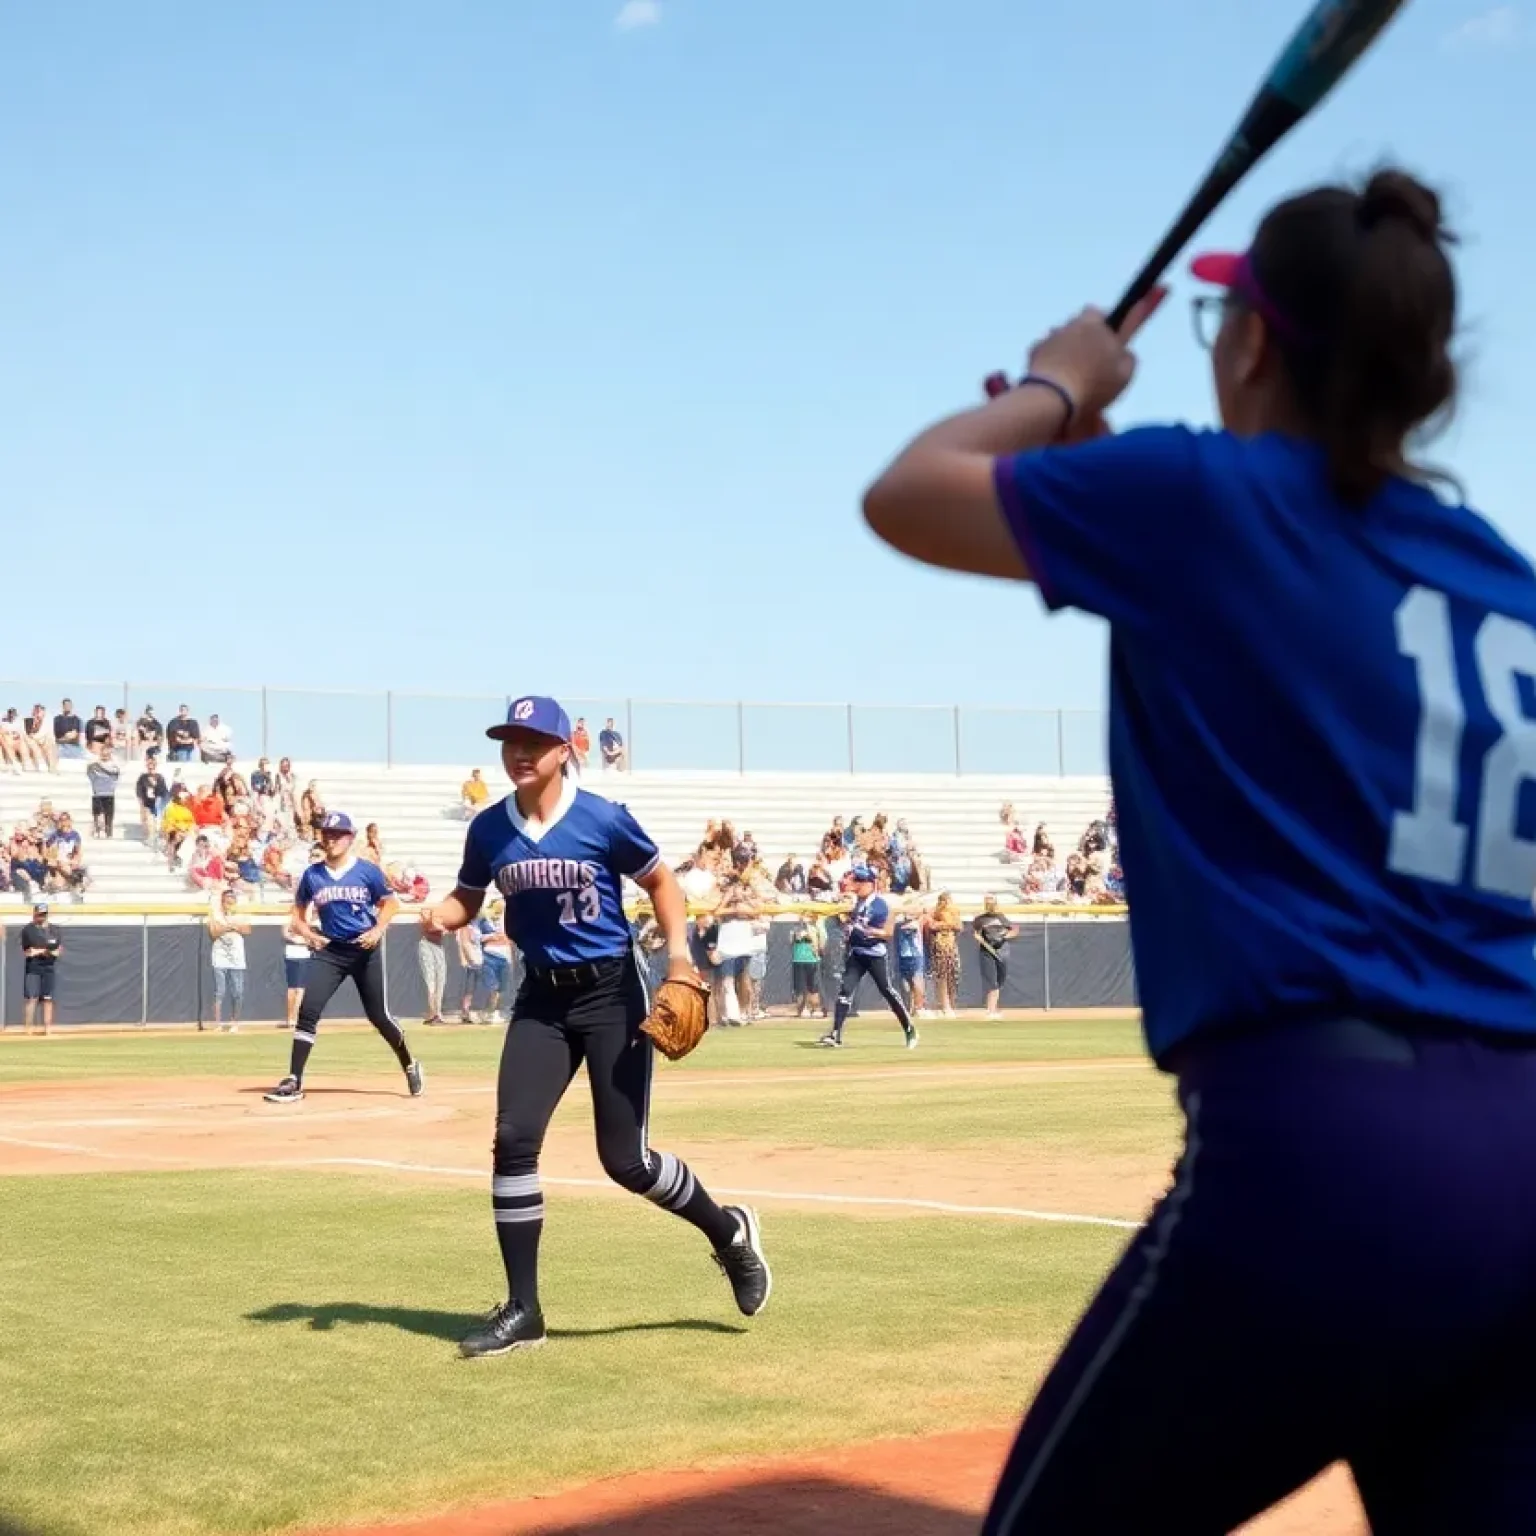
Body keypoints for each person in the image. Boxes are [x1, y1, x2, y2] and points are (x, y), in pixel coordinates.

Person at [861, 167, 1536, 1533]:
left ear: (1249, 343)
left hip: (1333, 1157)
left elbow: (910, 493)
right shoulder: (1499, 575)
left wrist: (1057, 384)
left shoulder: (1207, 497)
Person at [420, 694, 770, 1357]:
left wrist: (676, 960)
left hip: (613, 994)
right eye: (509, 741)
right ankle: (525, 1311)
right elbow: (468, 895)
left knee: (627, 1161)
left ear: (563, 751)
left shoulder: (603, 819)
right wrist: (442, 914)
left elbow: (663, 883)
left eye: (533, 741)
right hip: (542, 1002)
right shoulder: (489, 829)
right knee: (512, 1140)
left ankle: (728, 1233)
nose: (518, 752)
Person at [262, 811, 424, 1104]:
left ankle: (409, 1062)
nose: (331, 839)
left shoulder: (367, 870)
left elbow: (390, 903)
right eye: (327, 834)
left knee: (380, 1017)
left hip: (365, 949)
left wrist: (378, 929)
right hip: (332, 950)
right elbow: (298, 916)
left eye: (338, 834)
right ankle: (294, 1079)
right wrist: (309, 935)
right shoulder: (313, 875)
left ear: (350, 838)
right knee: (308, 1010)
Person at [818, 866, 918, 1049]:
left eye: (860, 881)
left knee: (888, 991)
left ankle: (909, 1028)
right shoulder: (859, 903)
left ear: (871, 884)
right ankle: (835, 1034)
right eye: (856, 881)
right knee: (845, 991)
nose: (856, 885)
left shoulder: (879, 906)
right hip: (857, 953)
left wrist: (864, 930)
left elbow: (886, 934)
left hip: (874, 955)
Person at [208, 889, 250, 1033]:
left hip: (237, 957)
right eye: (227, 901)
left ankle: (234, 1022)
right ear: (222, 902)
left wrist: (235, 926)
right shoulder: (216, 915)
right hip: (219, 956)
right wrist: (227, 926)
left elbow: (247, 930)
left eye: (232, 901)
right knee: (219, 991)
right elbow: (213, 933)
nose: (229, 904)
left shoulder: (240, 914)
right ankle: (217, 1023)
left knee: (238, 991)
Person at [971, 893, 1018, 1019]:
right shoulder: (980, 919)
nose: (990, 905)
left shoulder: (1001, 917)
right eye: (988, 902)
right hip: (987, 951)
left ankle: (993, 1008)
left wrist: (1004, 936)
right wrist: (979, 938)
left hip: (1001, 952)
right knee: (992, 981)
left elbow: (1014, 929)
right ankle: (990, 1010)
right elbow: (976, 933)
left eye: (992, 902)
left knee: (1000, 980)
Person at [19, 903, 62, 1034]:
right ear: (34, 914)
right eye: (39, 915)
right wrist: (40, 951)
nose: (41, 917)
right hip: (33, 966)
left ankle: (48, 1029)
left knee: (48, 998)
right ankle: (28, 1029)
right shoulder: (28, 930)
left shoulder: (54, 930)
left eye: (43, 915)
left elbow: (57, 950)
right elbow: (27, 952)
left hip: (49, 966)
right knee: (32, 997)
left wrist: (44, 951)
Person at [789, 910, 824, 1019]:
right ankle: (802, 1009)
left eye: (808, 917)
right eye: (803, 917)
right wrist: (797, 934)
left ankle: (815, 1008)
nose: (804, 919)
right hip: (798, 960)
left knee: (813, 986)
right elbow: (791, 941)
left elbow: (822, 942)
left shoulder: (817, 928)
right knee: (800, 987)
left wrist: (817, 948)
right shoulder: (795, 929)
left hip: (812, 960)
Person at [86, 739, 121, 839]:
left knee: (109, 815)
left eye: (107, 752)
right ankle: (98, 830)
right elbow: (90, 775)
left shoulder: (114, 765)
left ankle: (108, 831)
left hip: (109, 794)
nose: (105, 754)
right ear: (100, 753)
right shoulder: (93, 765)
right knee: (98, 814)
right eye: (103, 752)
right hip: (97, 793)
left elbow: (115, 777)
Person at [281, 911, 310, 1031]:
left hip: (293, 954)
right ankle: (295, 1018)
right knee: (298, 988)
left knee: (293, 987)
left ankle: (290, 1019)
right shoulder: (302, 922)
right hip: (300, 954)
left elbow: (285, 934)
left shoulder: (290, 921)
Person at [418, 920, 448, 1026]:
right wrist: (442, 926)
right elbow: (428, 924)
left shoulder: (443, 910)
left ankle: (437, 1013)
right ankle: (433, 1013)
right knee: (430, 981)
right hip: (427, 943)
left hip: (438, 945)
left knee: (441, 980)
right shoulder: (428, 909)